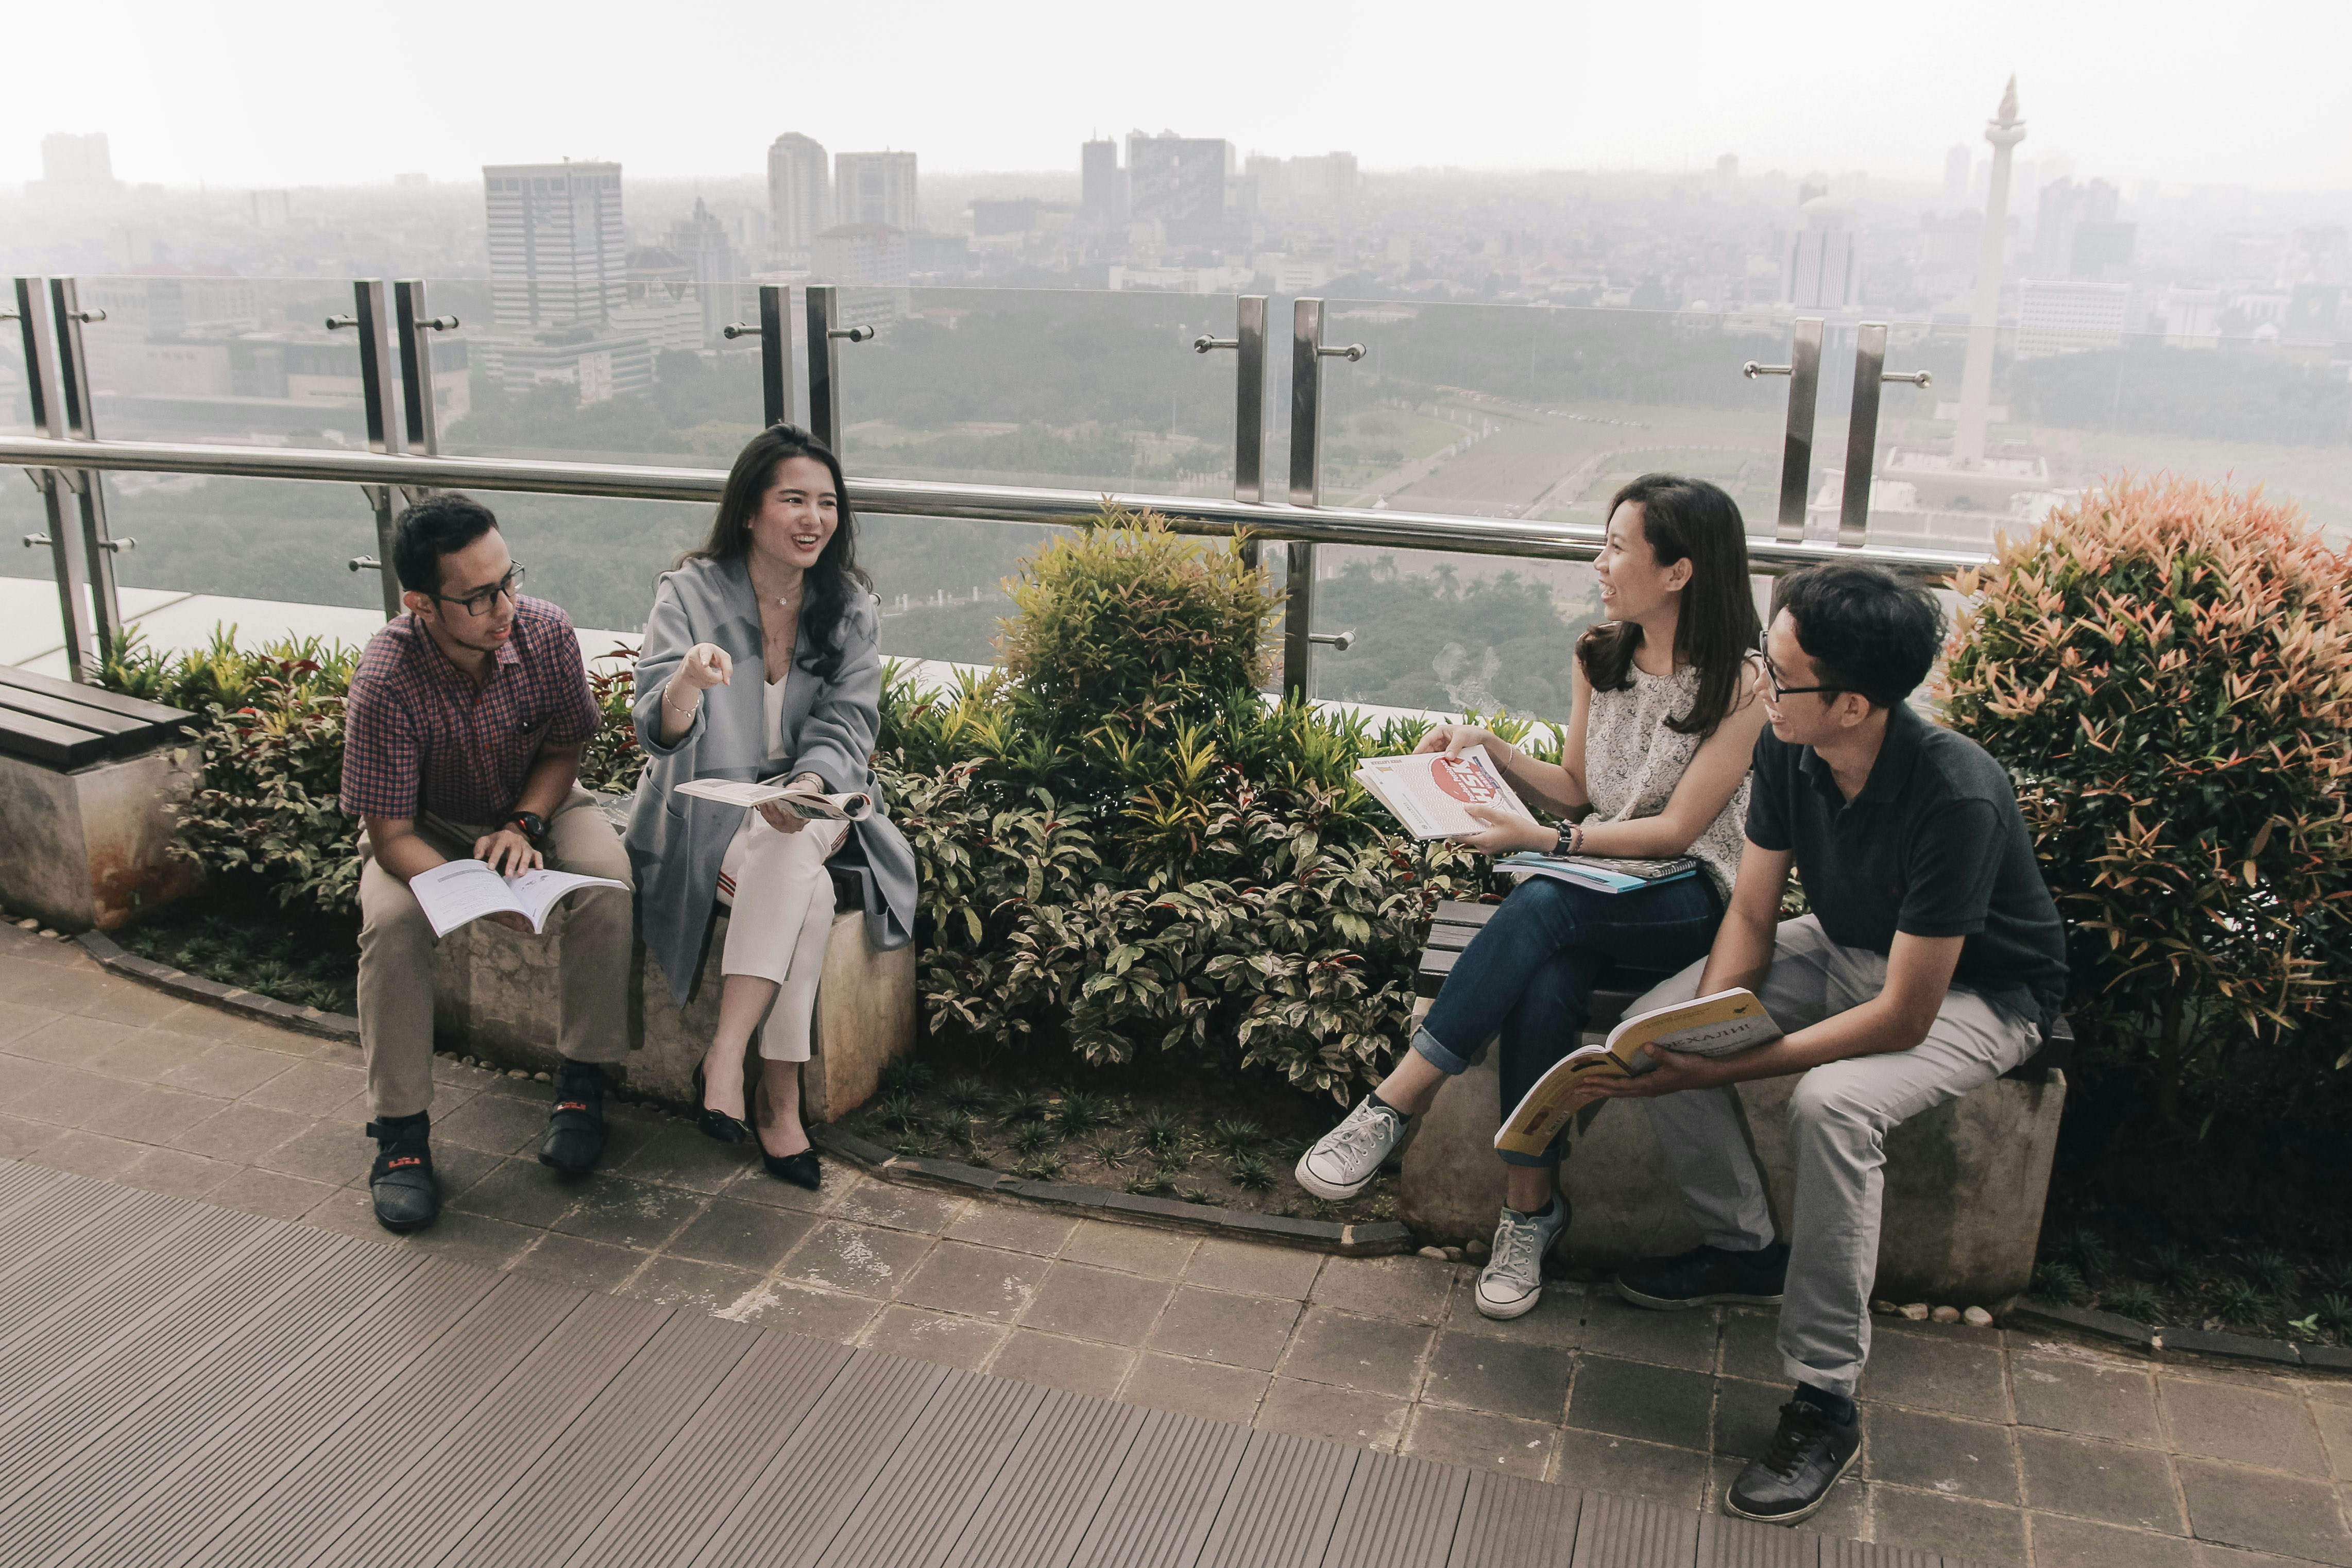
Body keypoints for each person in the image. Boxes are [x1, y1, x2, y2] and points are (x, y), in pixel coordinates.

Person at [1586, 561, 2069, 1526]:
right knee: (1652, 1029)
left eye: (1780, 673)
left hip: (1979, 995)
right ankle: (1744, 1250)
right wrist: (1697, 1032)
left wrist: (1735, 1061)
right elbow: (1753, 915)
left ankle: (1824, 1400)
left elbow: (1903, 1017)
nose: (1760, 684)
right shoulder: (1789, 744)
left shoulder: (1956, 794)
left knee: (1833, 1105)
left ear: (1851, 703)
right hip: (1845, 946)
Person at [1294, 474, 1767, 1320]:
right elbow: (1580, 789)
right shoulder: (1599, 655)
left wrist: (1550, 845)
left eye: (1617, 548)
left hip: (1687, 897)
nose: (1599, 564)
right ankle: (1528, 1211)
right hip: (1596, 885)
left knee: (1546, 902)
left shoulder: (1741, 687)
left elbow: (1673, 832)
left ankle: (1394, 1101)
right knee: (1546, 980)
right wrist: (1490, 750)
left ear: (1678, 572)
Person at [627, 424, 917, 1189]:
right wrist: (687, 681)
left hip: (811, 801)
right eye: (793, 499)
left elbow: (848, 724)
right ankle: (776, 1098)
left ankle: (725, 1057)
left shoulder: (847, 606)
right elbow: (656, 729)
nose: (813, 518)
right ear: (751, 509)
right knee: (808, 899)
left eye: (827, 502)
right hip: (710, 815)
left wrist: (810, 788)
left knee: (791, 838)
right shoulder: (688, 594)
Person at [340, 492, 633, 1233]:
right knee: (392, 928)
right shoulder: (386, 679)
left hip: (536, 805)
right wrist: (474, 891)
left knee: (607, 883)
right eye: (477, 596)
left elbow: (563, 749)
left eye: (508, 580)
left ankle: (582, 1082)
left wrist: (525, 822)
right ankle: (401, 1134)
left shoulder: (546, 630)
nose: (504, 607)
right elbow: (390, 835)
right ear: (421, 603)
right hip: (426, 831)